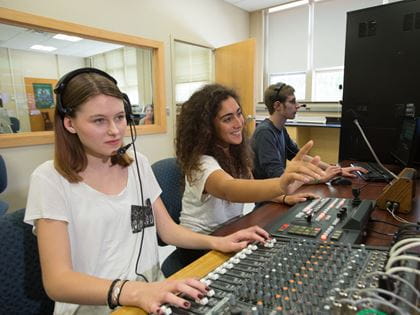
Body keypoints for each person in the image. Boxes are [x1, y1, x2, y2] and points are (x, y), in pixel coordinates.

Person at [24, 68, 274, 315]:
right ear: (69, 123)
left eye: (120, 117)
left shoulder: (137, 164)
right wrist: (134, 292)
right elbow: (58, 282)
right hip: (97, 305)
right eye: (99, 120)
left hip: (152, 291)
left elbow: (167, 230)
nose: (115, 130)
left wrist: (218, 241)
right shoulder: (49, 179)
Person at [172, 84, 325, 272]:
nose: (239, 123)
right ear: (207, 127)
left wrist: (284, 197)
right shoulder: (201, 163)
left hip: (230, 232)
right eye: (228, 119)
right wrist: (281, 184)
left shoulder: (234, 152)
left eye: (238, 113)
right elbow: (230, 189)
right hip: (201, 245)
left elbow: (252, 186)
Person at [251, 82, 367, 187]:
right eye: (292, 101)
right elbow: (279, 177)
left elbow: (300, 156)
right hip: (270, 200)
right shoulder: (265, 133)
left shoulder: (280, 129)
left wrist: (337, 170)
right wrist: (321, 178)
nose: (297, 106)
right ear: (277, 106)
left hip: (282, 192)